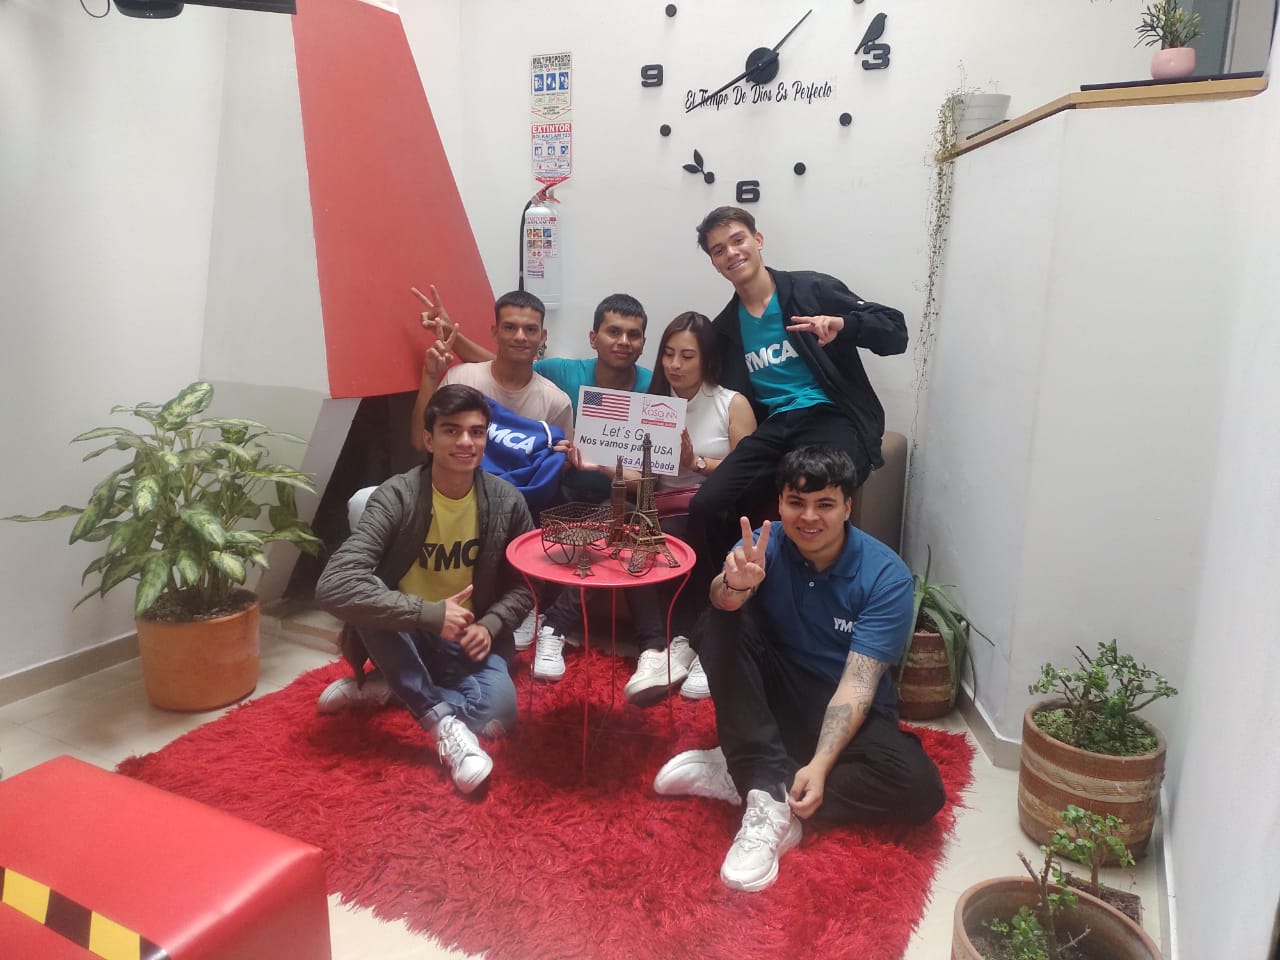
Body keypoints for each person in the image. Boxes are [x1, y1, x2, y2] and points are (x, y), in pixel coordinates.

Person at [653, 446, 946, 892]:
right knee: (721, 618)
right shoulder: (763, 546)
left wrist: (822, 765)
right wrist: (733, 585)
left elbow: (859, 683)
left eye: (824, 504)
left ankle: (752, 775)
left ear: (847, 507)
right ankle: (764, 793)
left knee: (920, 788)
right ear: (781, 503)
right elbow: (718, 600)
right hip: (775, 693)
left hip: (845, 704)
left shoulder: (885, 576)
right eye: (796, 502)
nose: (809, 517)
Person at [416, 288, 654, 682]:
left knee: (619, 518)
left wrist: (604, 468)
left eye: (633, 335)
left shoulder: (652, 387)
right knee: (539, 506)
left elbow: (654, 467)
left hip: (614, 494)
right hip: (559, 486)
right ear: (594, 338)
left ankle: (557, 626)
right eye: (614, 332)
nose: (623, 342)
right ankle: (527, 606)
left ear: (644, 342)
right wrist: (451, 338)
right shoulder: (562, 373)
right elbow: (509, 361)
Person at [684, 206, 909, 615]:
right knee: (706, 506)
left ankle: (831, 611)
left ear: (758, 240)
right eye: (718, 250)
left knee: (817, 492)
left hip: (832, 417)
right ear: (715, 264)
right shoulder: (727, 329)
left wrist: (844, 325)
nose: (731, 252)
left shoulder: (810, 289)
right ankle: (724, 611)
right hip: (776, 427)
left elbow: (895, 331)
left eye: (738, 240)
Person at [315, 385, 535, 795]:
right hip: (406, 631)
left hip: (470, 637)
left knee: (497, 716)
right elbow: (335, 584)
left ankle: (394, 687)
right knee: (368, 591)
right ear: (429, 439)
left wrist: (490, 624)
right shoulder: (396, 496)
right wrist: (428, 614)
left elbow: (525, 585)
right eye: (452, 430)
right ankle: (441, 723)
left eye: (476, 432)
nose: (466, 442)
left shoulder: (507, 501)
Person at [622, 311, 757, 705]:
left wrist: (694, 462)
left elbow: (748, 471)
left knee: (685, 524)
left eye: (686, 356)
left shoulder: (731, 404)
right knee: (629, 530)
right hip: (659, 505)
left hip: (712, 510)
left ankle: (696, 644)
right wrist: (600, 465)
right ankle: (654, 650)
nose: (675, 365)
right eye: (668, 354)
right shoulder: (652, 404)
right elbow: (638, 476)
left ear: (708, 360)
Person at [409, 289, 574, 456]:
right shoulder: (461, 379)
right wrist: (430, 376)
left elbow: (559, 463)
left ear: (543, 337)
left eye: (530, 329)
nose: (520, 337)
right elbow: (421, 443)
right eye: (509, 327)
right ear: (495, 333)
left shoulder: (556, 403)